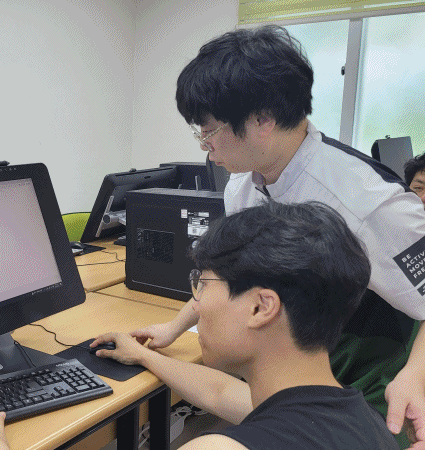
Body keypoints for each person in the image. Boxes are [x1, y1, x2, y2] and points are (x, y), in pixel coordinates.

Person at [138, 25, 425, 448]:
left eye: (210, 131)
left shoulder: (367, 201)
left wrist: (416, 375)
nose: (205, 146)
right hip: (303, 378)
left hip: (372, 389)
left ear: (262, 120)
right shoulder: (244, 184)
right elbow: (231, 275)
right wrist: (174, 327)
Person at [91, 201, 397, 449]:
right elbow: (219, 392)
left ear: (260, 307)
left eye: (203, 284)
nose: (196, 304)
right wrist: (144, 355)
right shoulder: (366, 421)